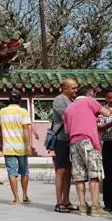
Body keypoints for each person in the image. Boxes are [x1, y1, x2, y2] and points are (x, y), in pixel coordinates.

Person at [63, 86, 112, 216]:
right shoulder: (89, 101)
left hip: (74, 143)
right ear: (90, 93)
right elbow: (107, 113)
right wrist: (111, 109)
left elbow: (66, 130)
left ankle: (83, 206)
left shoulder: (68, 108)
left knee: (79, 176)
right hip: (88, 141)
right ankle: (95, 206)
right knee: (94, 174)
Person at [0, 90, 36, 205]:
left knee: (11, 172)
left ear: (9, 99)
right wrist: (29, 145)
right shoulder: (23, 112)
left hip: (8, 146)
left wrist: (1, 144)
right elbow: (26, 129)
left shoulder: (2, 112)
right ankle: (24, 195)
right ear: (20, 100)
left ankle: (16, 199)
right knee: (24, 171)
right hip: (22, 147)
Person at [50, 78, 79, 213]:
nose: (75, 90)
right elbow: (66, 116)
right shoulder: (59, 100)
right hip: (61, 139)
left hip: (71, 138)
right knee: (61, 170)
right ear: (64, 88)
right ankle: (58, 202)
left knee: (69, 171)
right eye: (73, 88)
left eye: (76, 88)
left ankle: (66, 200)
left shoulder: (74, 101)